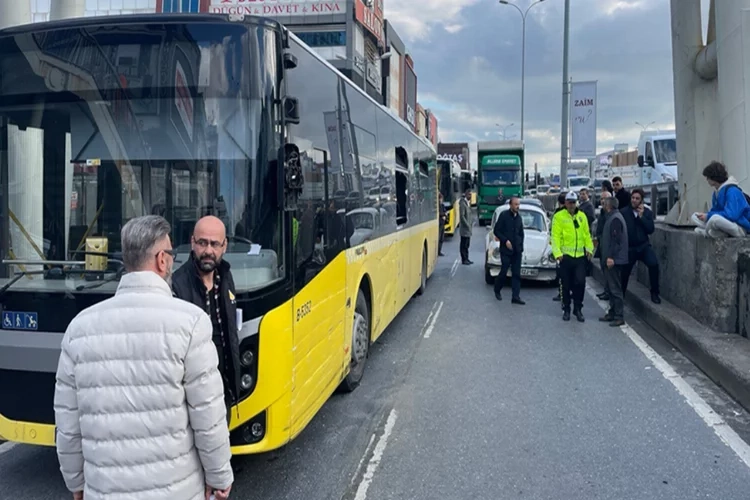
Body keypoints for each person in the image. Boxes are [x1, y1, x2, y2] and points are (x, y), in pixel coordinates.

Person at [53, 215, 234, 500]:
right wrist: (219, 475)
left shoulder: (79, 328)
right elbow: (208, 415)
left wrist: (76, 483)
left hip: (104, 491)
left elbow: (68, 423)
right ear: (162, 260)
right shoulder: (191, 323)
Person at [172, 215, 242, 425]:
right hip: (194, 391)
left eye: (214, 244)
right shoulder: (177, 285)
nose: (208, 251)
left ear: (224, 246)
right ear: (192, 242)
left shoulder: (226, 277)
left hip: (223, 387)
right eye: (202, 243)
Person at [551, 191, 594, 322]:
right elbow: (555, 237)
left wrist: (590, 249)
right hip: (565, 256)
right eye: (569, 202)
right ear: (565, 203)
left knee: (580, 283)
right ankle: (567, 309)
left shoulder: (582, 216)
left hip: (580, 256)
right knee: (566, 284)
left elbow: (587, 234)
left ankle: (578, 308)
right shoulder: (559, 216)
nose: (571, 204)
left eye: (574, 202)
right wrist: (557, 253)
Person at [620, 188, 661, 304]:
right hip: (629, 248)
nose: (634, 200)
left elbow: (650, 229)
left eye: (637, 198)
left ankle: (655, 292)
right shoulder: (624, 212)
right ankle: (620, 296)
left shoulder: (647, 213)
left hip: (643, 246)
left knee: (653, 264)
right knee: (624, 272)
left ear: (641, 200)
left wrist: (641, 217)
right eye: (633, 198)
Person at [692, 161, 750, 238]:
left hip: (739, 227)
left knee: (714, 218)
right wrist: (705, 216)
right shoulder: (716, 192)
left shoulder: (732, 191)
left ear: (713, 177)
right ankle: (716, 232)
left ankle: (707, 233)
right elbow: (714, 211)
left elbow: (732, 215)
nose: (707, 180)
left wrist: (708, 216)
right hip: (726, 224)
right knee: (694, 216)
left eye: (708, 177)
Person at [598, 196, 628, 327]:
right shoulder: (612, 217)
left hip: (614, 260)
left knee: (615, 288)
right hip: (611, 258)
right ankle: (612, 312)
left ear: (608, 206)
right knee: (610, 287)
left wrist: (610, 257)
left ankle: (619, 315)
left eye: (605, 204)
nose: (603, 206)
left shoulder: (615, 219)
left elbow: (616, 241)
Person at [492, 195, 525, 304]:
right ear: (510, 205)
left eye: (518, 204)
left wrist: (521, 247)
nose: (517, 206)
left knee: (516, 274)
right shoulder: (504, 215)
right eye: (515, 204)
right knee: (504, 271)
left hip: (517, 251)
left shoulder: (519, 218)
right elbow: (497, 231)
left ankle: (515, 296)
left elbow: (521, 233)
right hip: (506, 250)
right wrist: (505, 241)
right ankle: (497, 289)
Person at [594, 190, 613, 301]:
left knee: (609, 272)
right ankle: (606, 290)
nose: (603, 201)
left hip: (608, 247)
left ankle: (609, 292)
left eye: (605, 199)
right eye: (601, 199)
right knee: (603, 269)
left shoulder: (611, 214)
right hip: (601, 244)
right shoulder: (602, 212)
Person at [550, 192, 567, 303]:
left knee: (561, 274)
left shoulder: (558, 214)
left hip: (561, 248)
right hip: (571, 249)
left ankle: (562, 294)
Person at [459, 188, 473, 265]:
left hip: (468, 228)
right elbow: (462, 216)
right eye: (469, 194)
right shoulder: (462, 203)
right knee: (464, 244)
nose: (471, 196)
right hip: (465, 229)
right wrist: (467, 225)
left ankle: (467, 258)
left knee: (467, 244)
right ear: (466, 194)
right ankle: (464, 259)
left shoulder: (467, 202)